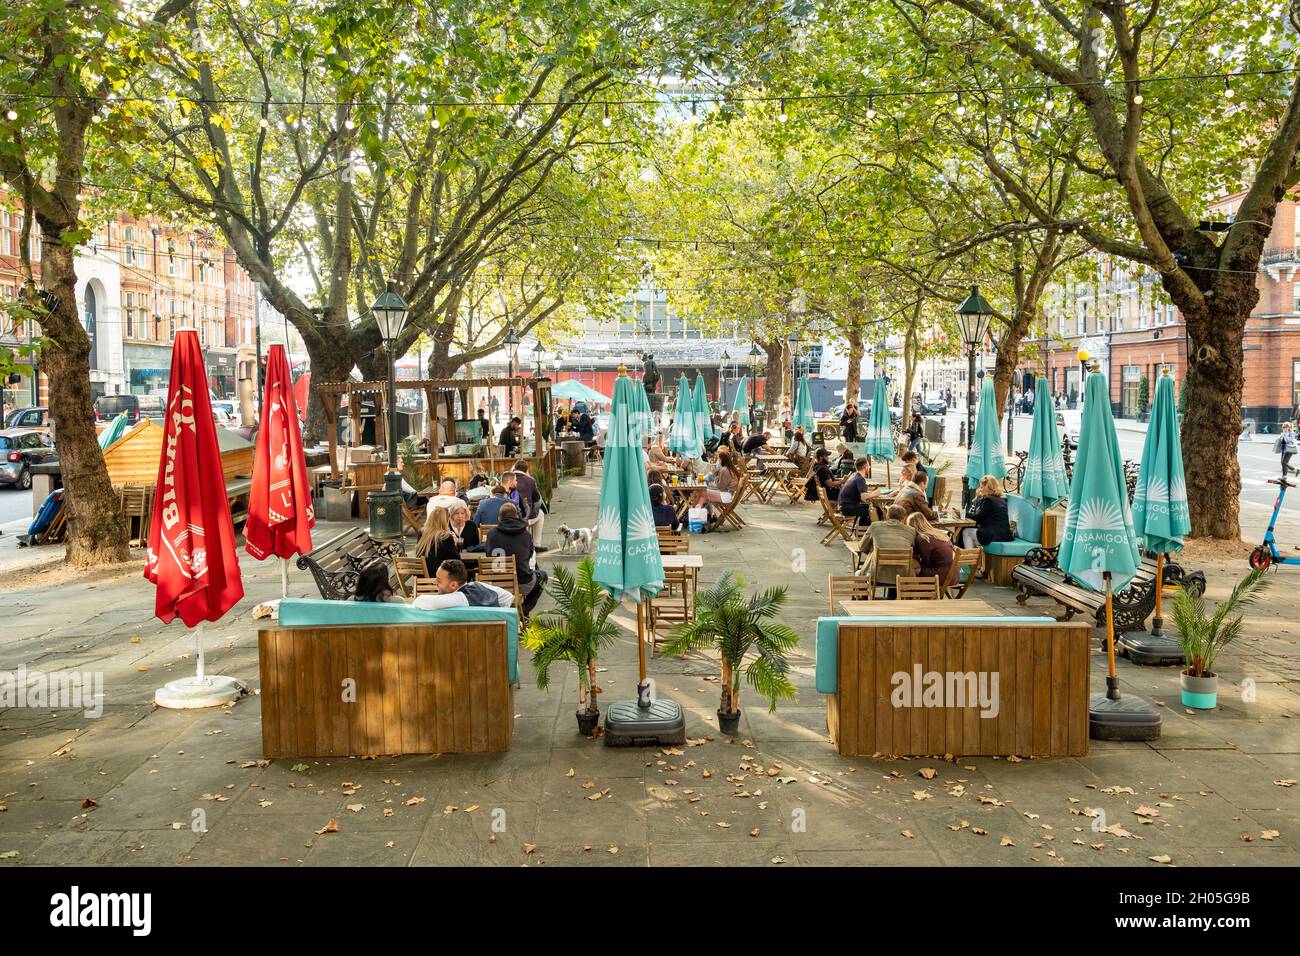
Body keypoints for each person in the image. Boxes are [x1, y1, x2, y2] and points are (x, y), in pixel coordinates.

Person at [486, 502, 545, 618]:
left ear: (499, 518)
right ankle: (524, 610)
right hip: (522, 581)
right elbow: (529, 556)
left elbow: (489, 556)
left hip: (497, 582)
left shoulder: (492, 534)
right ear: (517, 516)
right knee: (543, 576)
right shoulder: (525, 534)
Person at [410, 560, 514, 610]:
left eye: (439, 580)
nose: (434, 582)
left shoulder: (460, 598)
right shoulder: (476, 585)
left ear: (454, 585)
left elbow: (420, 602)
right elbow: (508, 597)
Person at [860, 505, 917, 591]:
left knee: (858, 574)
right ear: (904, 518)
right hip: (902, 577)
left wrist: (872, 549)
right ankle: (893, 598)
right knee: (896, 572)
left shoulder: (875, 526)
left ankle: (863, 600)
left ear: (887, 515)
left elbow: (862, 547)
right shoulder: (911, 531)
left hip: (875, 575)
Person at [961, 475, 1014, 549]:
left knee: (966, 532)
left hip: (993, 536)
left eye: (982, 487)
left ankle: (969, 558)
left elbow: (978, 518)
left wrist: (963, 513)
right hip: (1005, 536)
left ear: (987, 488)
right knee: (975, 538)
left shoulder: (989, 500)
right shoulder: (1002, 500)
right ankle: (976, 557)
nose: (980, 489)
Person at [908, 512, 955, 585]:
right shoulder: (938, 533)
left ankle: (917, 594)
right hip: (954, 575)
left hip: (941, 577)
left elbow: (925, 562)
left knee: (911, 570)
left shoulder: (923, 539)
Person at [417, 506, 461, 578]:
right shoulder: (446, 537)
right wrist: (455, 544)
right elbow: (457, 560)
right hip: (440, 577)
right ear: (445, 521)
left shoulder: (422, 533)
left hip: (422, 577)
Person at [837, 456, 879, 524]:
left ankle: (862, 530)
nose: (869, 467)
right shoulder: (860, 479)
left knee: (867, 507)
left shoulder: (853, 475)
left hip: (842, 506)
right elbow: (864, 497)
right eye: (868, 466)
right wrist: (875, 493)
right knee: (876, 509)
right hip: (847, 508)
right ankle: (868, 530)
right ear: (865, 467)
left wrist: (870, 494)